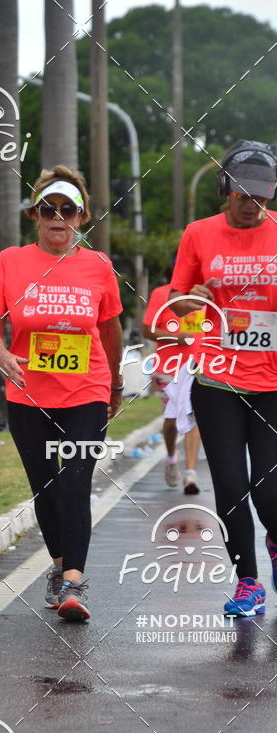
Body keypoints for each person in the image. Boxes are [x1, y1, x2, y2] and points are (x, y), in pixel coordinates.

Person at [0, 166, 123, 622]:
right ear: (34, 215)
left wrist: (115, 383)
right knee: (46, 486)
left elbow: (110, 329)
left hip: (86, 390)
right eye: (48, 209)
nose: (58, 217)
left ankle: (75, 582)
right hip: (28, 395)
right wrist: (2, 355)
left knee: (76, 482)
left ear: (81, 216)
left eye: (68, 209)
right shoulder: (11, 261)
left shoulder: (98, 266)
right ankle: (59, 567)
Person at [169, 140, 277, 617]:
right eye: (241, 195)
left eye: (261, 197)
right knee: (231, 486)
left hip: (272, 383)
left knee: (269, 489)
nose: (251, 205)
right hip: (216, 380)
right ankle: (248, 582)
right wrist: (192, 308)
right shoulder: (199, 234)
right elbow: (177, 306)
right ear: (224, 189)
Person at [142, 282, 202, 493]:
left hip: (198, 366)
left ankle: (191, 474)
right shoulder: (161, 293)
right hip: (169, 368)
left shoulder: (205, 293)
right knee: (172, 421)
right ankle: (170, 457)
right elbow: (147, 330)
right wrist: (175, 338)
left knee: (193, 415)